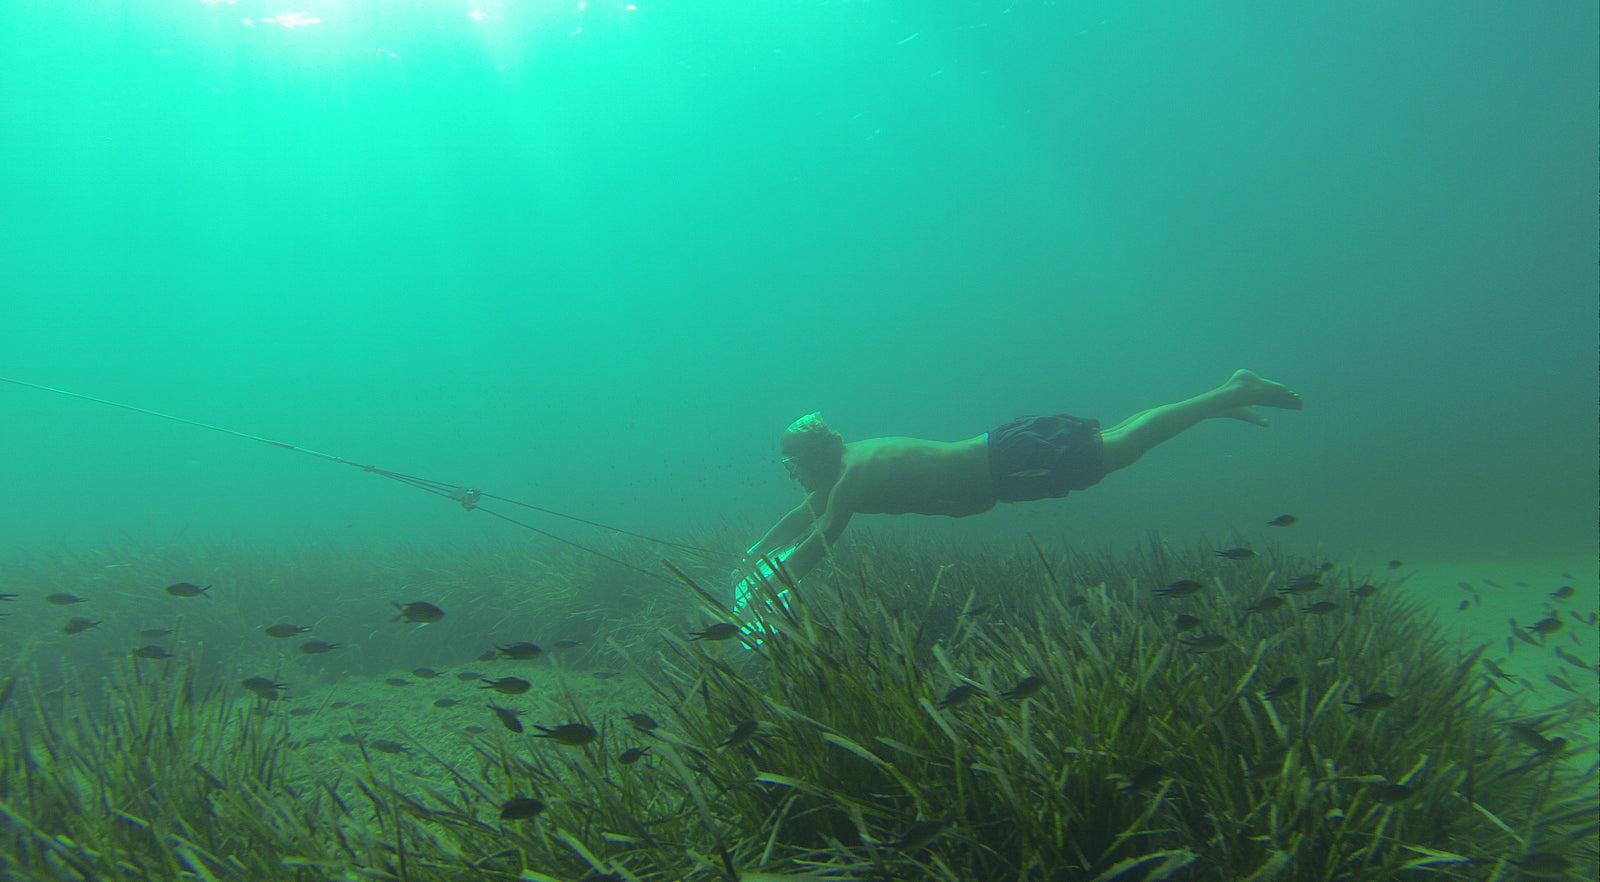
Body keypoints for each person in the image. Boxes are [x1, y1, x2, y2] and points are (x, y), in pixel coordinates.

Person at [733, 369, 1303, 609]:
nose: (794, 475)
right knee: (1121, 439)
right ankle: (1226, 396)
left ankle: (1228, 394)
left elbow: (823, 537)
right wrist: (749, 560)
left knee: (1122, 450)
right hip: (1007, 458)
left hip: (1009, 464)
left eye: (793, 464)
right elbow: (801, 518)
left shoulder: (854, 477)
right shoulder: (845, 470)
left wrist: (765, 592)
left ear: (817, 454)